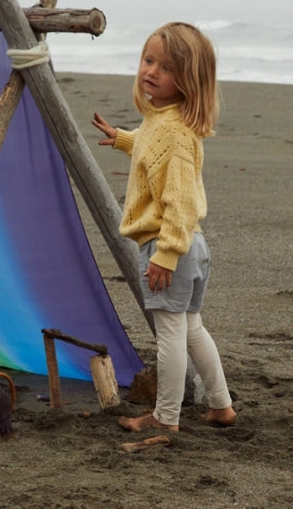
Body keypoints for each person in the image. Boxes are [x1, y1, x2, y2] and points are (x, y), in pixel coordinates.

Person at [92, 21, 236, 433]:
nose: (151, 71)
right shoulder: (163, 120)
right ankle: (221, 406)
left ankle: (164, 418)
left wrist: (165, 254)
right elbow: (150, 146)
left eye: (166, 67)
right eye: (148, 60)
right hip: (193, 246)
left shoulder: (173, 131)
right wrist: (122, 138)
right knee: (191, 327)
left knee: (170, 333)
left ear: (188, 80)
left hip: (170, 244)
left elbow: (181, 200)